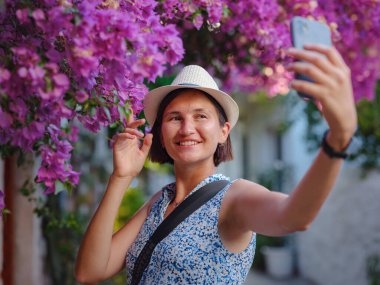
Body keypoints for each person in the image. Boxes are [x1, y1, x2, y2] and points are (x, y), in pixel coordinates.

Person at [75, 44, 357, 284]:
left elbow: (293, 216)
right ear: (161, 131)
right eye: (174, 118)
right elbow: (89, 272)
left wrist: (337, 141)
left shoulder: (233, 198)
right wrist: (121, 177)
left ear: (223, 131)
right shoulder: (159, 202)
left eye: (200, 116)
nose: (186, 128)